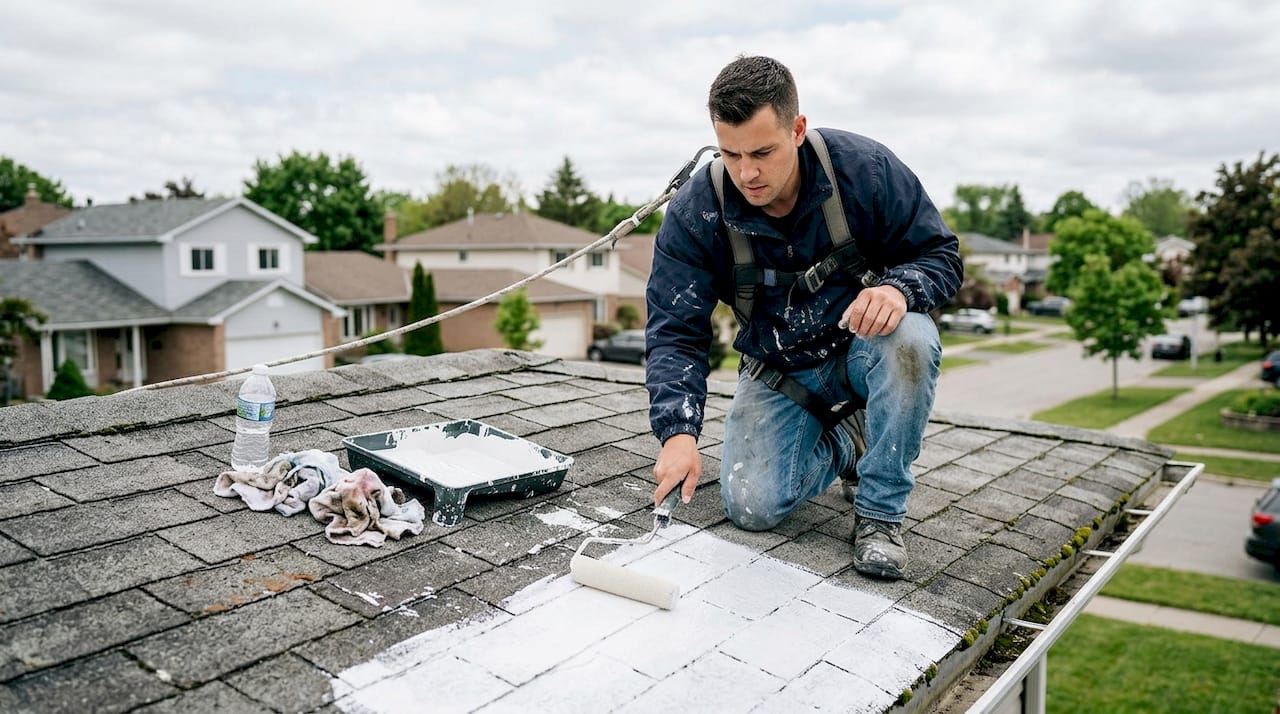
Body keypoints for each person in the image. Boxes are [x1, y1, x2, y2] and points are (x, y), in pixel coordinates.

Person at [644, 55, 962, 580]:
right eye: (730, 153)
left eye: (763, 152)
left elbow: (943, 257)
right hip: (780, 368)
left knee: (912, 338)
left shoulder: (868, 172)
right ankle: (848, 441)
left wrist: (900, 288)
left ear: (797, 129)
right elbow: (675, 328)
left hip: (865, 348)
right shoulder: (698, 209)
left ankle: (880, 513)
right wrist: (678, 432)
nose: (746, 172)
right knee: (751, 507)